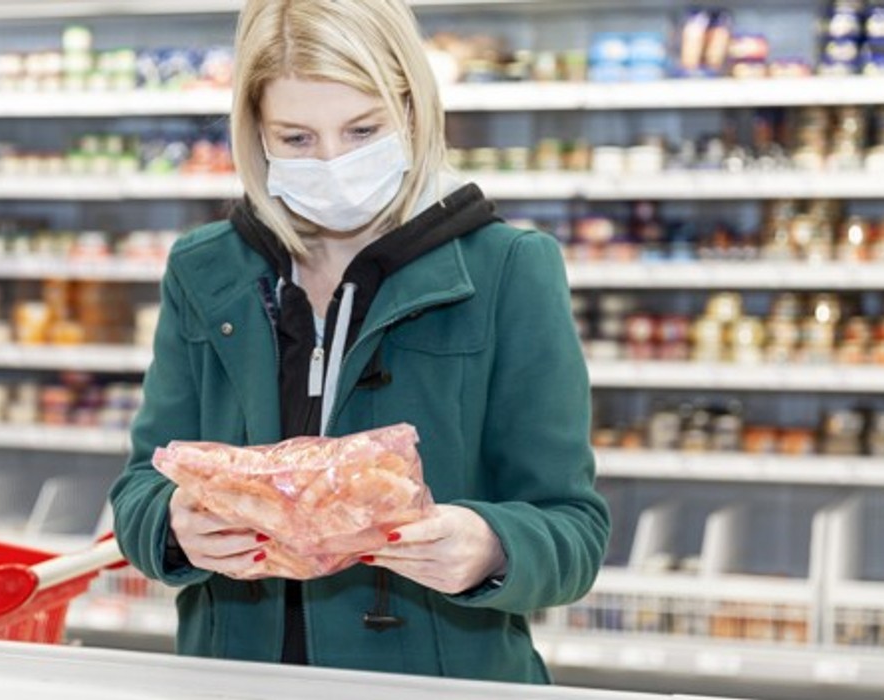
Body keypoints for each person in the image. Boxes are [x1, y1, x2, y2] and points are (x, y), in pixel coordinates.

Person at [109, 0, 609, 684]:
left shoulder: (506, 270)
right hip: (233, 678)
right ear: (255, 132)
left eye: (362, 130)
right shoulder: (205, 270)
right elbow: (141, 485)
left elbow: (573, 529)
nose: (333, 162)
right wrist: (171, 526)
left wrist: (491, 548)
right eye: (296, 138)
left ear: (411, 110)